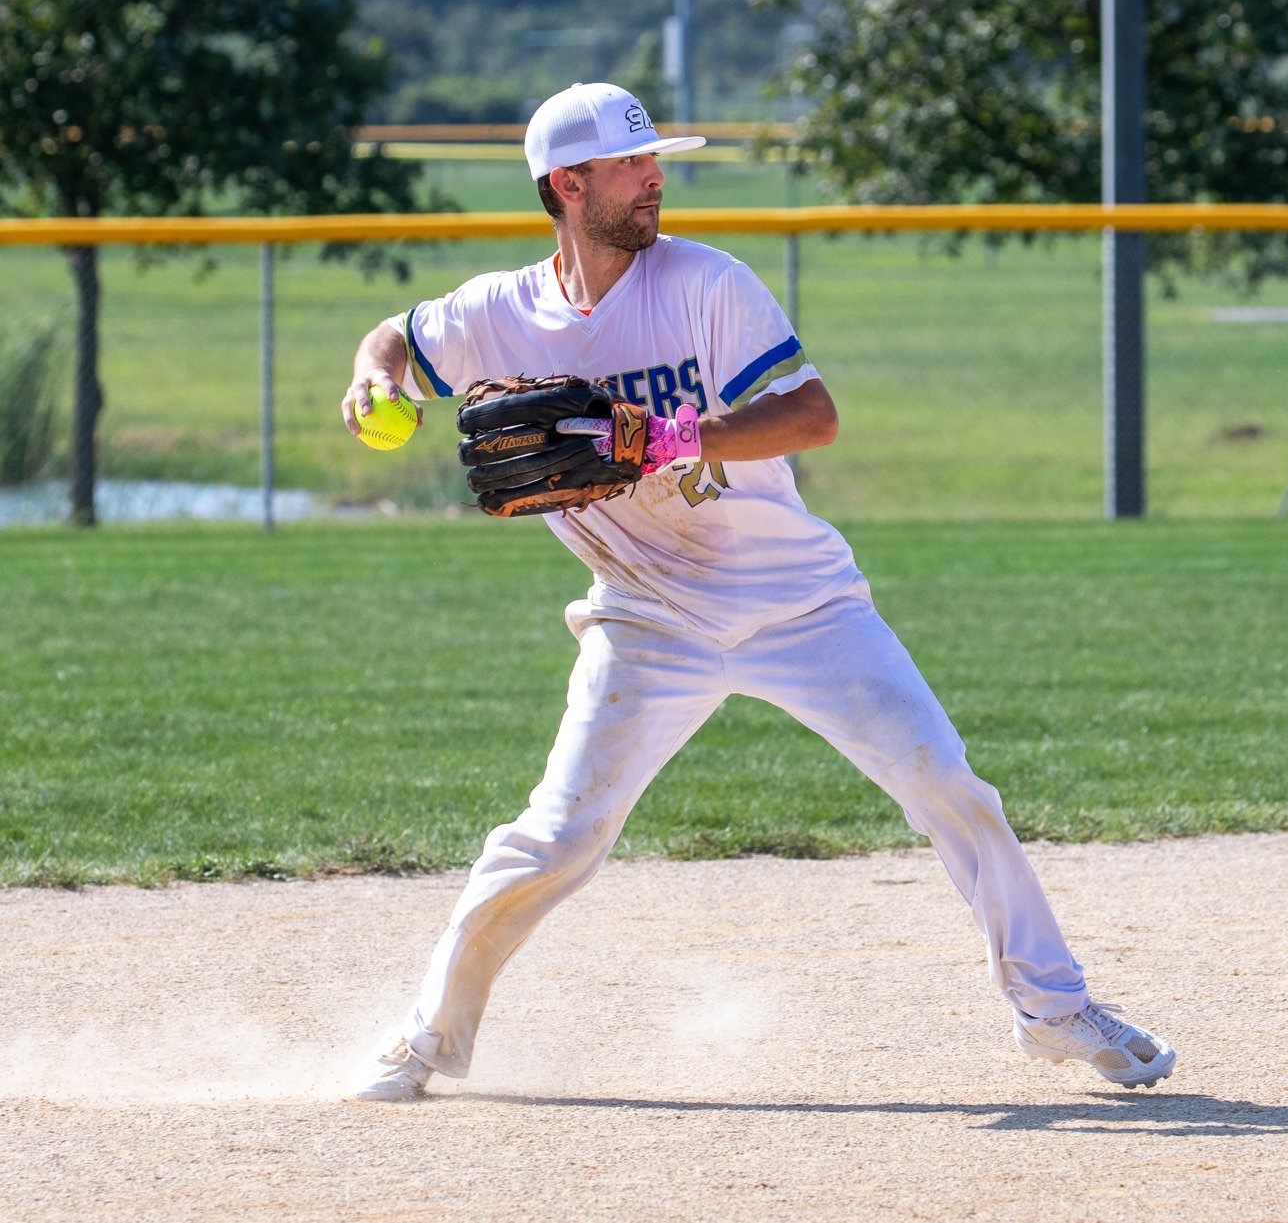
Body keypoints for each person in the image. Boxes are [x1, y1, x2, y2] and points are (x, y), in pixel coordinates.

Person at [339, 82, 1175, 1102]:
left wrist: (662, 438)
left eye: (657, 161)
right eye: (631, 164)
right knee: (554, 840)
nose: (655, 178)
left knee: (949, 786)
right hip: (646, 616)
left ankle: (1054, 1011)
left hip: (800, 603)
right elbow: (395, 338)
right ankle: (429, 1037)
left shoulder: (704, 283)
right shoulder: (496, 315)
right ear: (567, 183)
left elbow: (811, 415)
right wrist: (372, 382)